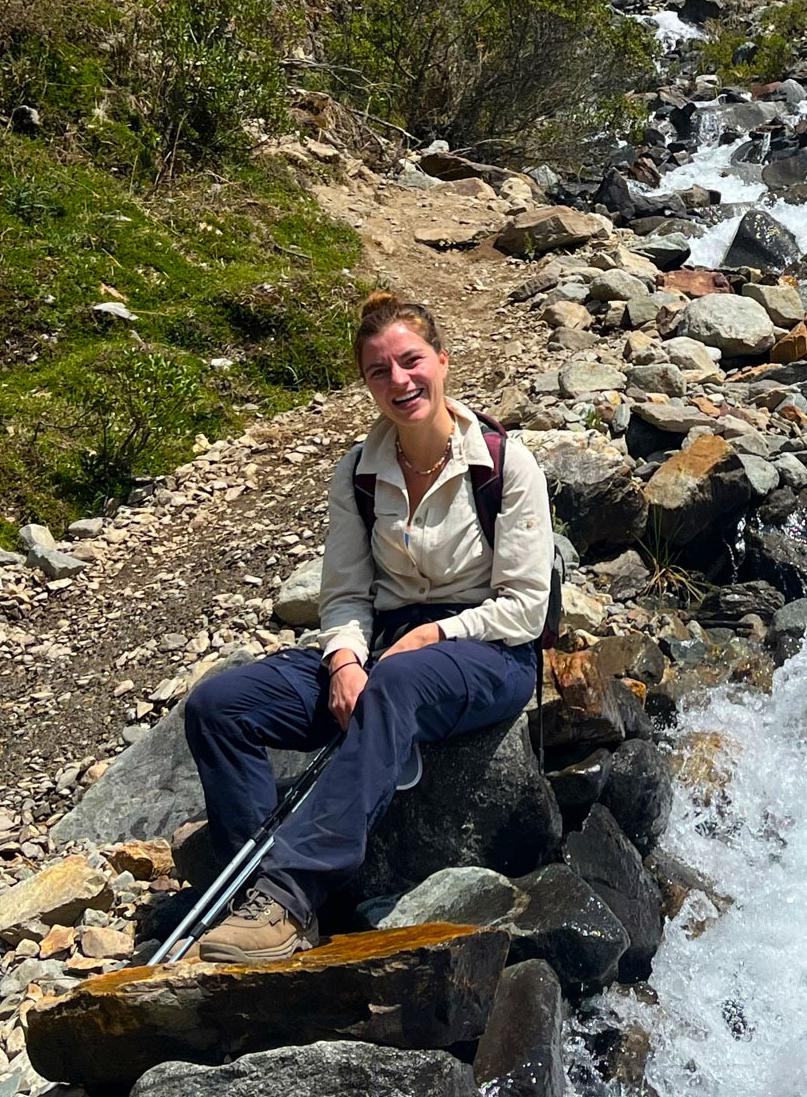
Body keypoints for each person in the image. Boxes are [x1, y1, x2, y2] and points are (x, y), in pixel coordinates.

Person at [184, 291, 554, 962]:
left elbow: (526, 607)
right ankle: (257, 893)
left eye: (411, 361)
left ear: (443, 360)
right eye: (380, 371)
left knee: (401, 680)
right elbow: (348, 595)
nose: (400, 381)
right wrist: (346, 662)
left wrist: (435, 637)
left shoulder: (506, 464)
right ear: (367, 384)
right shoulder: (358, 472)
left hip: (490, 652)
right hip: (384, 647)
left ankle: (291, 897)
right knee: (219, 705)